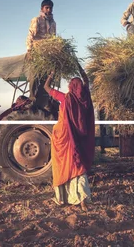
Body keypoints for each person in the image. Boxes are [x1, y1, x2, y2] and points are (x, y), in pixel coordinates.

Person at [44, 64, 95, 212]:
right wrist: (78, 66)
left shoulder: (65, 98)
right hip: (78, 138)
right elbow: (86, 80)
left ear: (72, 86)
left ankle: (63, 198)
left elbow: (46, 87)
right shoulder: (85, 97)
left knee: (63, 165)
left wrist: (52, 72)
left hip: (63, 136)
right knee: (78, 165)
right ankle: (82, 199)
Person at [26, 0, 57, 111]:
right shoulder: (37, 20)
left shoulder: (53, 23)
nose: (48, 10)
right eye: (46, 8)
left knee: (46, 78)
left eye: (50, 8)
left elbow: (53, 39)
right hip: (37, 53)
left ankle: (42, 102)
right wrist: (29, 51)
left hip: (47, 55)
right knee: (34, 76)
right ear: (42, 8)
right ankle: (32, 99)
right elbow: (30, 36)